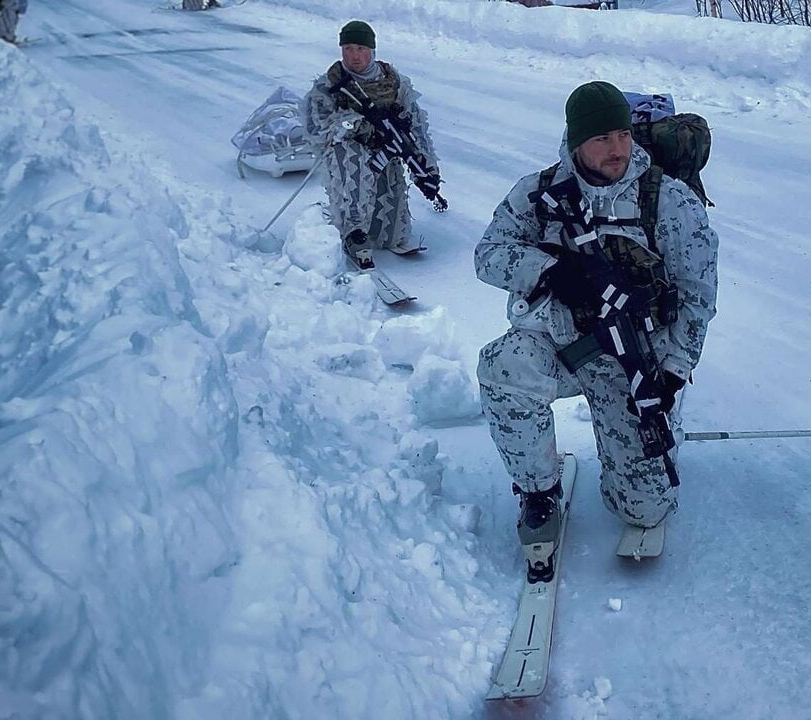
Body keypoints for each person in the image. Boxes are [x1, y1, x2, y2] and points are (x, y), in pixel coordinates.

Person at [475, 81, 718, 552]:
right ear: (575, 142)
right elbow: (488, 254)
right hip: (557, 340)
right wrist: (548, 271)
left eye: (623, 135)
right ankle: (538, 489)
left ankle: (648, 445)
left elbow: (697, 295)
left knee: (647, 509)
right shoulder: (539, 192)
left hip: (632, 359)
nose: (618, 149)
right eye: (602, 139)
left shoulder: (668, 200)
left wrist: (673, 371)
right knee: (502, 365)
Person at [302, 20, 443, 271]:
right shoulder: (330, 84)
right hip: (347, 152)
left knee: (391, 218)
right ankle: (353, 234)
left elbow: (417, 126)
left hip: (385, 147)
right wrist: (356, 126)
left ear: (372, 50)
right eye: (347, 48)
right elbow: (317, 126)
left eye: (360, 48)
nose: (354, 56)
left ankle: (381, 231)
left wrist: (427, 168)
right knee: (352, 162)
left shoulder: (393, 82)